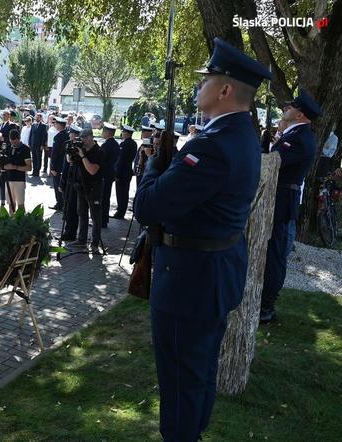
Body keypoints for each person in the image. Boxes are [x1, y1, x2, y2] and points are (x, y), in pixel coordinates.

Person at [133, 37, 271, 441]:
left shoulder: (211, 148)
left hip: (188, 284)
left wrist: (157, 163)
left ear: (226, 89)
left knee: (181, 383)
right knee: (199, 375)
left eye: (207, 79)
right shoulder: (240, 135)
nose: (199, 86)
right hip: (212, 275)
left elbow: (147, 206)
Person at [260, 87, 321, 324]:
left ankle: (266, 307)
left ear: (300, 115)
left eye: (292, 106)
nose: (287, 108)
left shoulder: (299, 139)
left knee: (275, 255)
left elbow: (274, 164)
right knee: (272, 253)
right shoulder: (294, 135)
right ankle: (264, 303)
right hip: (279, 199)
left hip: (282, 201)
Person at [70, 128, 105, 252]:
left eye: (84, 137)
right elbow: (71, 161)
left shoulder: (99, 151)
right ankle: (81, 240)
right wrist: (71, 153)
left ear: (90, 137)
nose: (83, 140)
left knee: (95, 216)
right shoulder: (82, 149)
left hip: (94, 187)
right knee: (82, 214)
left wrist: (83, 156)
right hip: (81, 187)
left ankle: (95, 243)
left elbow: (92, 170)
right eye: (81, 138)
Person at [58, 124, 83, 241]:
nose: (69, 135)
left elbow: (74, 164)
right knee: (67, 206)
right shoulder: (69, 144)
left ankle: (70, 231)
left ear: (76, 135)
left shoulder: (79, 147)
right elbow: (65, 165)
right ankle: (68, 229)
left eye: (71, 133)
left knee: (72, 207)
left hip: (74, 180)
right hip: (67, 178)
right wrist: (62, 182)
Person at [2, 129, 32, 214]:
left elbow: (29, 167)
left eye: (15, 142)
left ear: (19, 138)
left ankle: (21, 224)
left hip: (19, 180)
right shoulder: (8, 147)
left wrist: (15, 167)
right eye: (11, 142)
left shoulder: (25, 149)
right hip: (8, 180)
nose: (13, 144)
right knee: (10, 204)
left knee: (20, 204)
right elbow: (2, 162)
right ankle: (11, 222)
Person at [112, 125, 137, 219]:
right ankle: (121, 210)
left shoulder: (124, 144)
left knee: (121, 193)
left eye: (123, 132)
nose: (122, 133)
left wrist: (116, 173)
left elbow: (120, 160)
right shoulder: (133, 143)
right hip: (128, 171)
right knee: (124, 192)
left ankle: (120, 212)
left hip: (122, 172)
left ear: (126, 133)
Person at [99, 122, 120, 227]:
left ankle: (101, 220)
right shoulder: (116, 144)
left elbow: (101, 160)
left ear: (108, 132)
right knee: (106, 197)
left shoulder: (106, 145)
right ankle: (104, 219)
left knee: (102, 198)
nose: (102, 133)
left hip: (104, 174)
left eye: (104, 131)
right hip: (110, 173)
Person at [49, 117, 68, 210]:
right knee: (63, 185)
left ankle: (59, 204)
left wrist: (52, 167)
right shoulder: (67, 135)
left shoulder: (58, 136)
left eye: (56, 123)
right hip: (64, 165)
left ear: (60, 125)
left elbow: (55, 153)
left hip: (57, 166)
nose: (54, 125)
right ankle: (64, 203)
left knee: (57, 186)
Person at [29, 113, 48, 177]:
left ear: (40, 118)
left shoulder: (43, 126)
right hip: (33, 144)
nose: (36, 118)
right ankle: (34, 171)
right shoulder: (33, 125)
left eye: (38, 117)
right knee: (34, 158)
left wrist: (42, 145)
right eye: (36, 117)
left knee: (38, 158)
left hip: (39, 145)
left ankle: (37, 171)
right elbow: (31, 134)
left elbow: (44, 136)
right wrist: (29, 143)